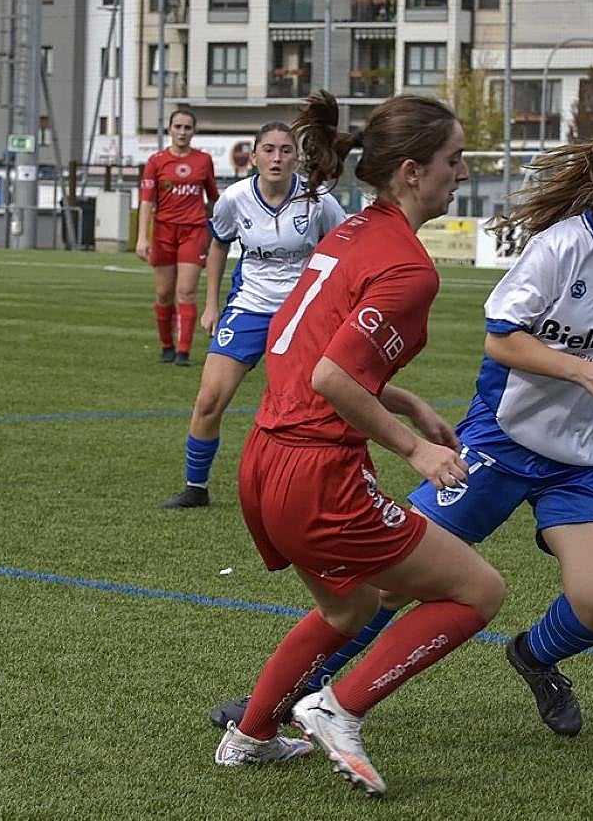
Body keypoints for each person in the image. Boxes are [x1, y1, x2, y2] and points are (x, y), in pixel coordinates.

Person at [209, 128, 593, 740]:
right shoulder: (559, 250)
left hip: (586, 460)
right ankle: (291, 696)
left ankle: (536, 656)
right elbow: (501, 339)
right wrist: (583, 369)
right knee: (388, 585)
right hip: (497, 443)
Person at [213, 92, 506, 797]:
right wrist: (416, 448)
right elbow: (333, 373)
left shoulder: (348, 235)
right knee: (479, 591)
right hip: (317, 470)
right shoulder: (409, 267)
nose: (461, 172)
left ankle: (250, 735)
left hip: (265, 459)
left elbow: (303, 351)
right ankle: (338, 709)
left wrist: (404, 400)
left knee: (352, 608)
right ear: (411, 170)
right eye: (453, 159)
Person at [159, 120, 348, 509]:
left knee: (318, 406)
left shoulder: (319, 200)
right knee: (210, 398)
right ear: (255, 155)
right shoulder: (235, 198)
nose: (277, 158)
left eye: (286, 150)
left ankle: (324, 488)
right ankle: (196, 487)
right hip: (249, 308)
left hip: (303, 313)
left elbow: (345, 252)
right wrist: (212, 304)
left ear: (297, 157)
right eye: (269, 150)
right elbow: (218, 245)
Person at [136, 110, 220, 366]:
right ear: (169, 129)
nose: (182, 132)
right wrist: (142, 237)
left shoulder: (204, 160)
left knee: (186, 291)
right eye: (178, 127)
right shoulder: (156, 161)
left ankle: (183, 352)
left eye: (187, 127)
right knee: (164, 293)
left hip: (193, 232)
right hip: (163, 233)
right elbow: (147, 201)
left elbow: (213, 198)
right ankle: (166, 346)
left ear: (194, 131)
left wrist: (217, 229)